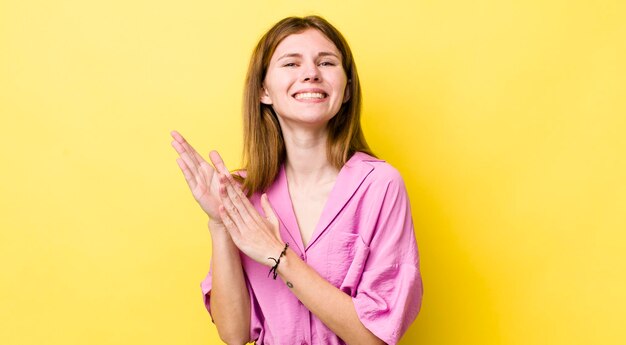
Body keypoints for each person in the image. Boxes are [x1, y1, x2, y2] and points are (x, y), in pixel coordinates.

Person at [171, 15, 422, 345]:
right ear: (263, 90)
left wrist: (278, 256)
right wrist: (220, 223)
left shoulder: (380, 186)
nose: (310, 73)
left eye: (327, 62)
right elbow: (234, 334)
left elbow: (374, 338)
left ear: (346, 89)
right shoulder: (241, 193)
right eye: (291, 63)